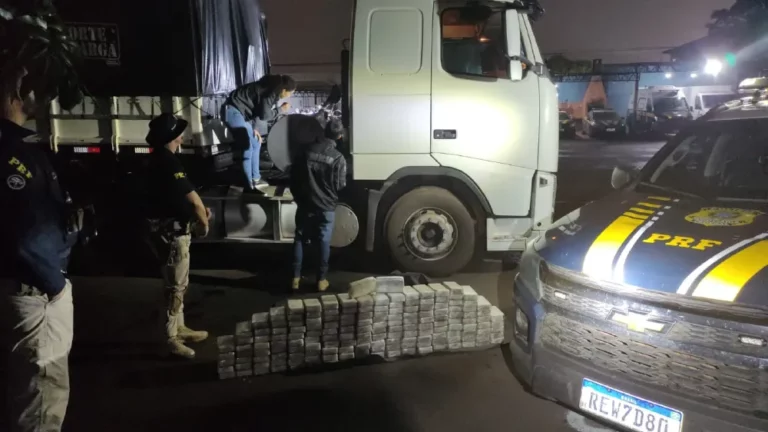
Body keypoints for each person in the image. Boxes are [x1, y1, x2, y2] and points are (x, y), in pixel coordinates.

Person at [0, 69, 76, 431]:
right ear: (15, 92)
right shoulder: (15, 154)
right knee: (41, 401)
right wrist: (55, 285)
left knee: (19, 393)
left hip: (12, 283)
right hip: (31, 291)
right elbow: (28, 235)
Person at [144, 113, 211, 359]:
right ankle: (170, 337)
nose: (181, 138)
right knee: (175, 287)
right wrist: (203, 223)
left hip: (168, 230)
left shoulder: (159, 160)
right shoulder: (169, 163)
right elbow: (193, 200)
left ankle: (179, 327)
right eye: (178, 134)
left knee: (179, 284)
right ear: (171, 138)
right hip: (173, 234)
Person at [289, 116, 347, 292]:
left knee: (300, 238)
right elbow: (340, 185)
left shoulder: (305, 151)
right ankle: (321, 280)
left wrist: (299, 197)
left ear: (324, 132)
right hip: (326, 206)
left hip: (305, 203)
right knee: (323, 241)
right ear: (339, 136)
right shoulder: (338, 158)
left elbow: (294, 177)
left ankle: (295, 278)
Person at [222, 74, 297, 191]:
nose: (289, 96)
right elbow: (265, 115)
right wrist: (281, 109)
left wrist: (254, 129)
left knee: (256, 143)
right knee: (247, 147)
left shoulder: (268, 89)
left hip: (242, 115)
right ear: (284, 90)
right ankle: (248, 183)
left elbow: (257, 110)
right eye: (290, 93)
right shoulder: (270, 92)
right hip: (232, 111)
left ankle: (256, 178)